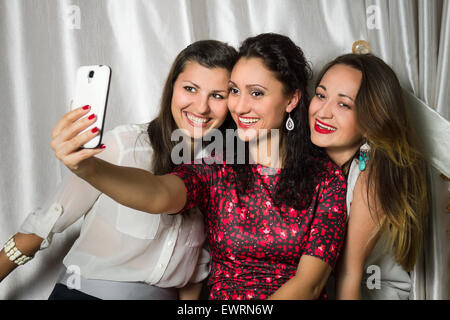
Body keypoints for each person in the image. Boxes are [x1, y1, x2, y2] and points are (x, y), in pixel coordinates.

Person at [47, 33, 348, 300]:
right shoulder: (217, 165)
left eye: (256, 93)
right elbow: (159, 194)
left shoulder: (326, 178)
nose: (240, 106)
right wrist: (89, 168)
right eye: (234, 90)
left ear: (292, 99)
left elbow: (309, 285)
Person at [0, 40, 238, 300]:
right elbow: (44, 223)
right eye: (190, 89)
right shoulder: (123, 145)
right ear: (172, 88)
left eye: (217, 95)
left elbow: (194, 272)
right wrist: (85, 166)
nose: (201, 107)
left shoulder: (224, 171)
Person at [308, 53, 429, 299]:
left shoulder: (372, 172)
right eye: (321, 95)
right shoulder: (319, 165)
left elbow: (349, 275)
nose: (323, 112)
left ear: (372, 118)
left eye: (344, 104)